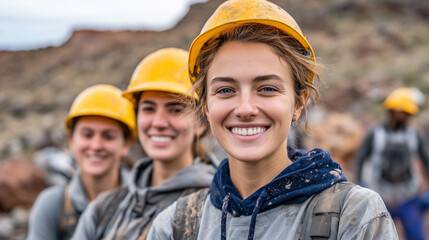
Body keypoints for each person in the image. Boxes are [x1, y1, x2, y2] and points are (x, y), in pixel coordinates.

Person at [147, 0, 399, 239]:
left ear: (299, 103)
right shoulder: (174, 226)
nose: (245, 108)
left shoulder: (354, 215)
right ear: (205, 106)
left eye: (267, 88)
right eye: (225, 90)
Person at [71, 48, 219, 239]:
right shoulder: (104, 208)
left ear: (201, 122)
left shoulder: (216, 209)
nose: (158, 122)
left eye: (175, 109)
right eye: (149, 109)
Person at [27, 84, 136, 240]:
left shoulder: (145, 202)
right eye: (87, 134)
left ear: (126, 144)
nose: (96, 146)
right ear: (71, 141)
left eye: (108, 136)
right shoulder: (52, 205)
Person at [356, 87, 429, 240]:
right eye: (405, 113)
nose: (408, 117)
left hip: (408, 197)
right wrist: (359, 184)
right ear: (393, 110)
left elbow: (426, 159)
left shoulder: (415, 135)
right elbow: (361, 158)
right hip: (380, 197)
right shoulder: (374, 134)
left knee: (416, 236)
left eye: (409, 114)